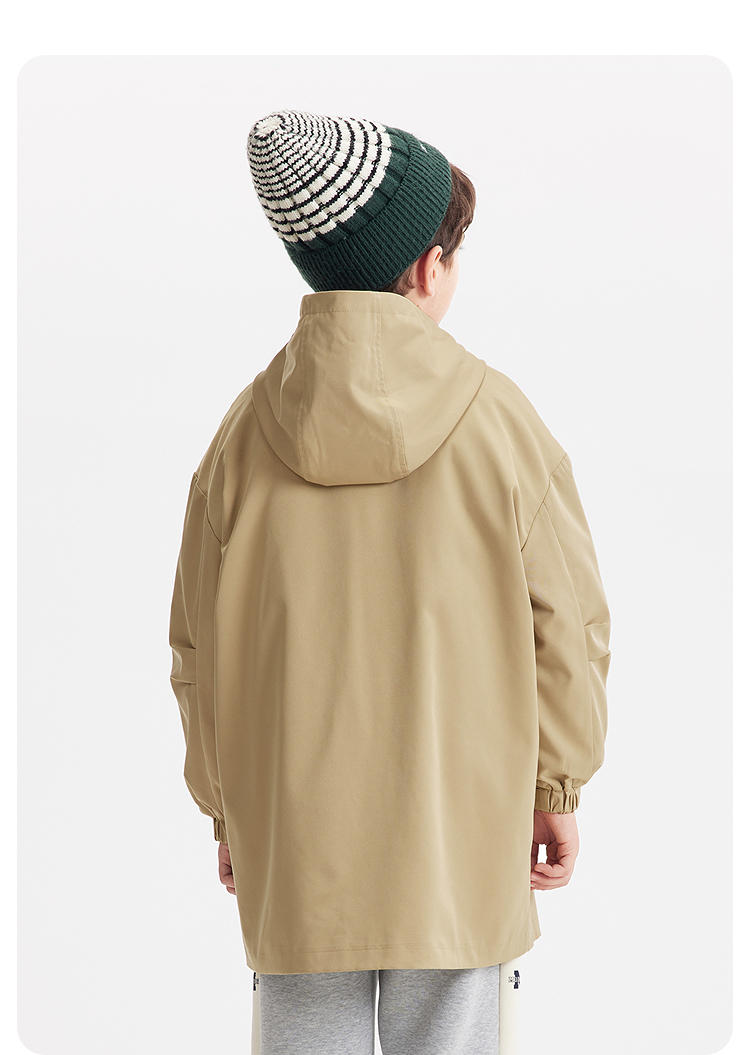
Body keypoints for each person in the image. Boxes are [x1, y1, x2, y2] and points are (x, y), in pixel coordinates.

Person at [168, 109, 612, 1054]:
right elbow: (569, 627)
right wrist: (556, 786)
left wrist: (226, 804)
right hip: (460, 847)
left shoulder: (241, 440)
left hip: (297, 851)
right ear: (425, 269)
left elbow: (198, 649)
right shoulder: (502, 424)